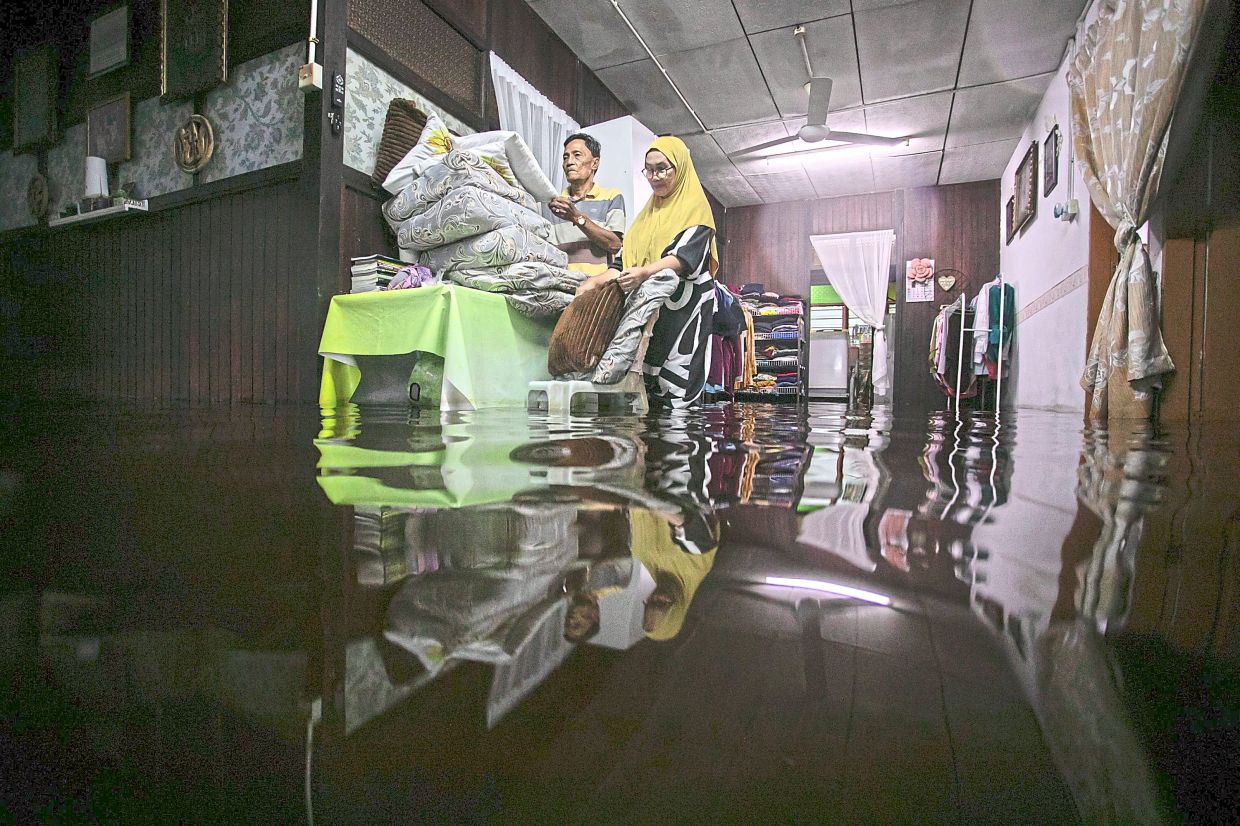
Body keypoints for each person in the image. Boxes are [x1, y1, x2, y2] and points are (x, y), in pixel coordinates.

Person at [577, 136, 718, 407]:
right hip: (654, 312)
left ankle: (683, 444)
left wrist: (645, 272)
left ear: (680, 168)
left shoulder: (696, 210)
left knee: (678, 382)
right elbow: (622, 264)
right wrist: (594, 282)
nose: (655, 177)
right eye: (649, 170)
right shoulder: (647, 216)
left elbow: (683, 259)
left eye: (663, 168)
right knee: (649, 382)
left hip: (686, 311)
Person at [545, 133, 626, 277]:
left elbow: (615, 245)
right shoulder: (555, 203)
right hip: (559, 286)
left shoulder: (611, 196)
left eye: (577, 155)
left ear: (594, 163)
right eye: (565, 157)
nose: (569, 162)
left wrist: (576, 217)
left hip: (596, 288)